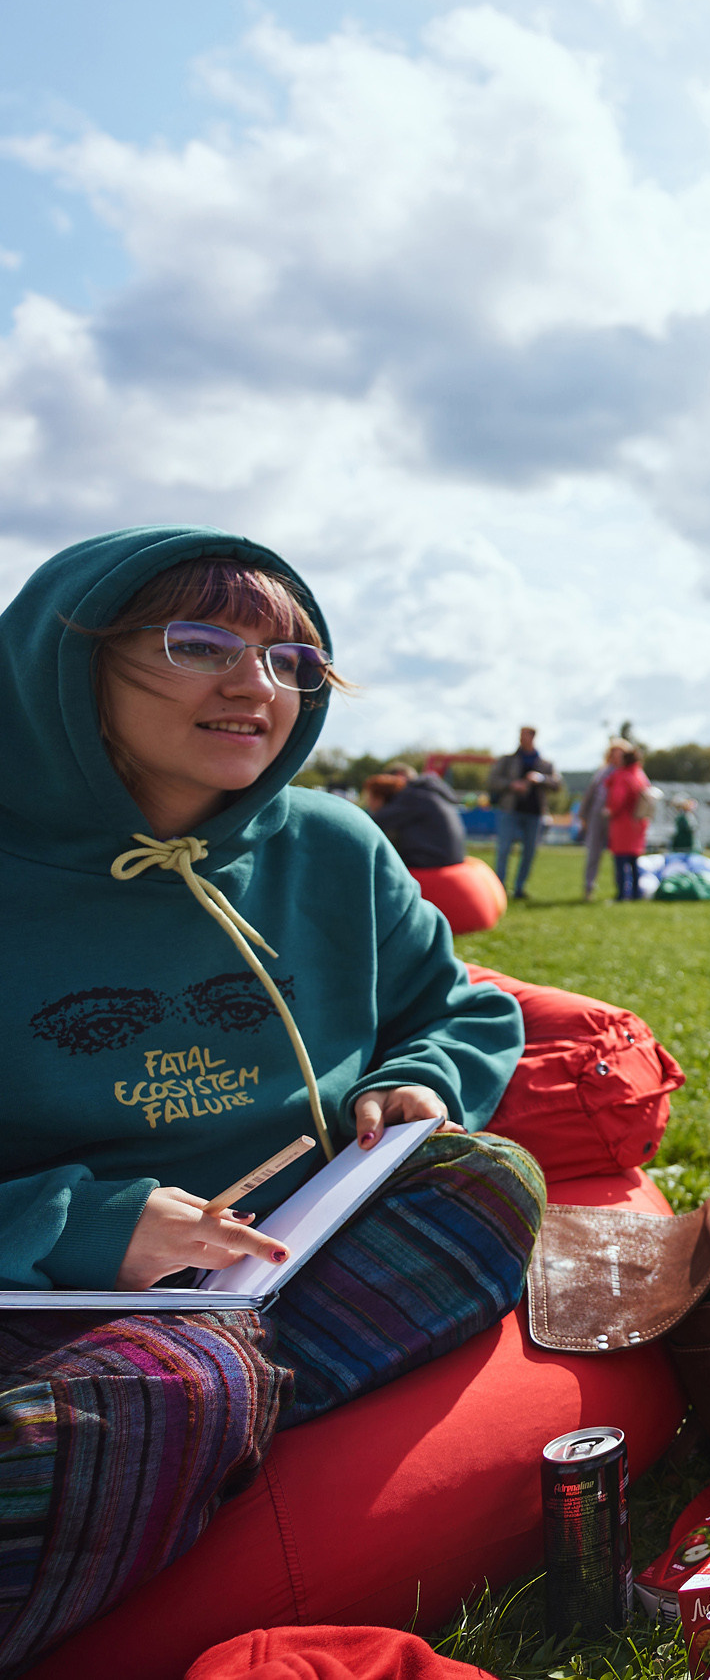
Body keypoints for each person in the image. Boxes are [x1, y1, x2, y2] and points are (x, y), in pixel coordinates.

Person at [0, 527, 536, 1671]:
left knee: (487, 1189)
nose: (256, 684)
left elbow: (462, 1010)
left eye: (291, 660)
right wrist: (93, 1227)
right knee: (174, 1393)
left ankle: (183, 1408)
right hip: (37, 1290)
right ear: (67, 662)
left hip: (285, 1253)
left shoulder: (334, 848)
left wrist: (415, 1082)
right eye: (200, 644)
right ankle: (175, 1407)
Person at [483, 727, 553, 900]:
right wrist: (511, 784)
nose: (522, 739)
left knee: (529, 852)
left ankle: (519, 889)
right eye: (520, 736)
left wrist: (540, 778)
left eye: (525, 736)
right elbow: (492, 780)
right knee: (504, 849)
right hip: (510, 810)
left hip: (535, 813)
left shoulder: (544, 763)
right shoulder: (508, 760)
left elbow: (556, 783)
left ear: (533, 737)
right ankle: (499, 889)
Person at [365, 762, 468, 869]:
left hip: (432, 862)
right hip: (450, 859)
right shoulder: (428, 793)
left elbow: (373, 825)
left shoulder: (411, 796)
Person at [604, 742, 652, 900]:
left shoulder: (622, 776)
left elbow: (617, 800)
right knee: (634, 864)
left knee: (620, 863)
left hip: (623, 825)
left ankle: (622, 895)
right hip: (638, 825)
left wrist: (609, 810)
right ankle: (636, 893)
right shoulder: (641, 775)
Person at [574, 745, 619, 901]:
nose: (616, 758)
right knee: (593, 853)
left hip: (617, 818)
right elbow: (590, 794)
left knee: (619, 855)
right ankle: (589, 888)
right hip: (597, 816)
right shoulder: (602, 772)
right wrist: (583, 816)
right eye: (613, 754)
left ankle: (622, 890)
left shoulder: (627, 772)